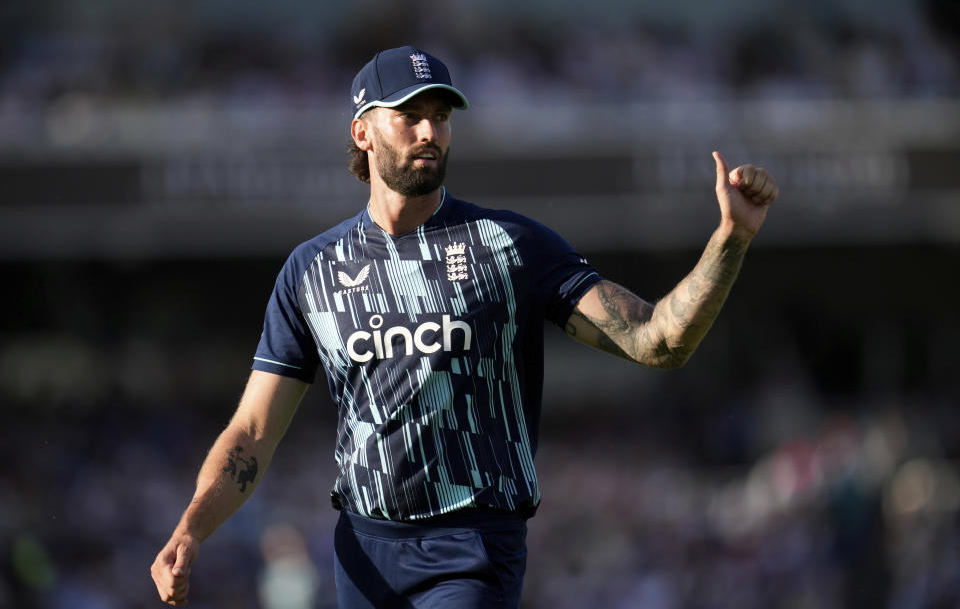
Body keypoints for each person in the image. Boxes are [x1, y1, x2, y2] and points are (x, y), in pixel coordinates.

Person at [150, 46, 778, 607]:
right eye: (410, 116)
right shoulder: (312, 270)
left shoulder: (509, 245)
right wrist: (190, 530)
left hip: (472, 549)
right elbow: (254, 430)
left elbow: (657, 341)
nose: (430, 132)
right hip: (362, 556)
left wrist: (730, 240)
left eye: (443, 117)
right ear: (363, 131)